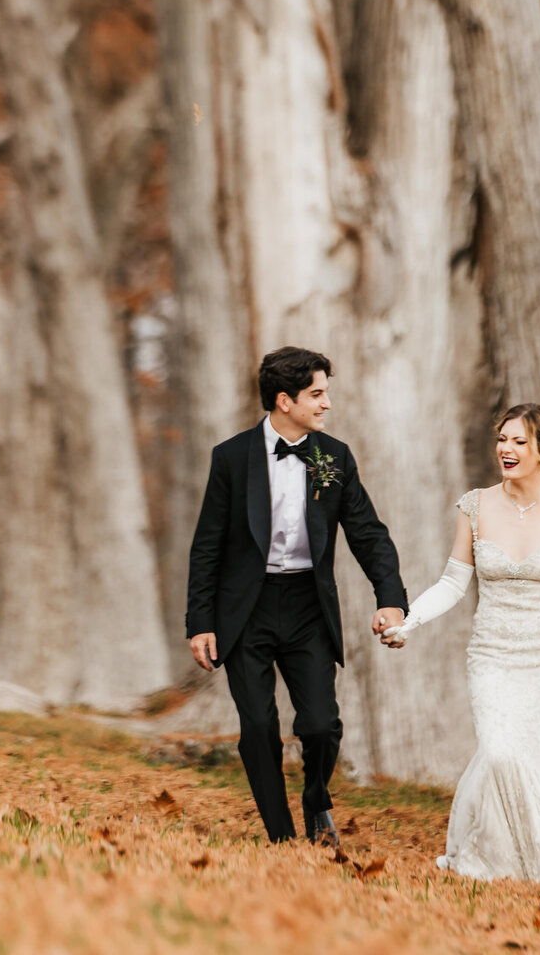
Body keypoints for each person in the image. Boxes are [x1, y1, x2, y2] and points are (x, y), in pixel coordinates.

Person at [382, 402, 540, 896]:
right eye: (502, 439)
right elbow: (453, 583)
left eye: (519, 442)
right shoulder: (476, 506)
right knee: (502, 754)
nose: (506, 449)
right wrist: (410, 620)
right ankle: (493, 856)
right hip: (494, 653)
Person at [186, 347, 407, 847]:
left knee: (321, 725)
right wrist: (199, 621)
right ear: (285, 401)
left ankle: (315, 802)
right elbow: (207, 546)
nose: (327, 403)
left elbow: (369, 534)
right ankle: (282, 837)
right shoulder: (231, 458)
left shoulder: (335, 457)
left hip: (309, 606)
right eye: (317, 393)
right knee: (260, 725)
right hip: (246, 610)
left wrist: (390, 599)